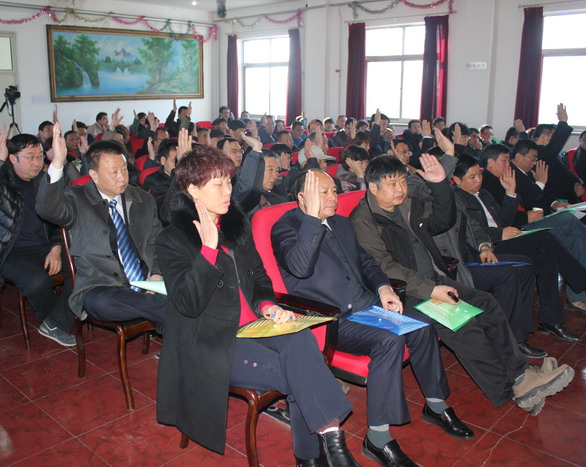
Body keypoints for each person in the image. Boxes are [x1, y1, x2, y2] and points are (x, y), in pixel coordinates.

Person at [155, 146, 358, 466]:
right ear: (193, 189)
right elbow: (188, 304)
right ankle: (323, 450)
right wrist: (208, 251)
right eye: (218, 184)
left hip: (253, 324)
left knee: (300, 340)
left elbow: (259, 277)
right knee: (302, 372)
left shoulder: (235, 225)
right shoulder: (172, 239)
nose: (228, 191)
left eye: (229, 182)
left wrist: (266, 305)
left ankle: (321, 449)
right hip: (212, 341)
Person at [273, 169, 473, 466]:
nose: (332, 197)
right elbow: (300, 267)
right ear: (303, 197)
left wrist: (383, 288)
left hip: (366, 306)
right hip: (331, 319)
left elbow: (366, 261)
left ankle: (436, 404)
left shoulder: (341, 223)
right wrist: (313, 220)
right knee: (389, 341)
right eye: (323, 192)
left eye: (334, 191)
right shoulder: (286, 227)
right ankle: (378, 439)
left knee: (422, 328)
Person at [349, 155, 575, 416]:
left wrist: (439, 185)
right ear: (373, 187)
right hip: (403, 294)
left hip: (433, 280)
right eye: (392, 184)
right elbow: (384, 267)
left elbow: (443, 221)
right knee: (464, 323)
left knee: (487, 304)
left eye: (403, 181)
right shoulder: (363, 220)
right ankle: (512, 389)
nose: (401, 188)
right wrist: (431, 289)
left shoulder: (406, 204)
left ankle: (521, 374)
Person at [453, 155, 586, 341]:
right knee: (544, 238)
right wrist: (499, 234)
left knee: (548, 259)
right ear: (457, 180)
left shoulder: (484, 194)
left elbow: (506, 221)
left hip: (505, 239)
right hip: (487, 248)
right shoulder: (457, 199)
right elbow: (470, 232)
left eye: (479, 174)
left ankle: (551, 320)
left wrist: (510, 193)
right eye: (472, 177)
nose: (478, 180)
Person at [35, 122, 168, 330]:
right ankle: (166, 310)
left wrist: (157, 275)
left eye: (124, 169)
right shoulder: (77, 199)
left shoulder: (143, 199)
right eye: (113, 172)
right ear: (94, 176)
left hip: (146, 282)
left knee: (187, 286)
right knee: (103, 302)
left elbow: (157, 243)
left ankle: (166, 315)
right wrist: (58, 164)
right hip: (102, 286)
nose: (122, 177)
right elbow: (47, 209)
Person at [0, 126, 74, 346]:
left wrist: (56, 248)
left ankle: (55, 321)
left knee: (84, 268)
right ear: (12, 158)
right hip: (7, 250)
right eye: (29, 157)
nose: (36, 162)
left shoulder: (44, 181)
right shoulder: (0, 181)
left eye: (39, 156)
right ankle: (56, 321)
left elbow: (60, 220)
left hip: (45, 247)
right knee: (38, 282)